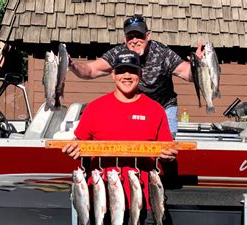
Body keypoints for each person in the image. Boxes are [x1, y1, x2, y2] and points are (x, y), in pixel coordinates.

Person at [63, 50, 177, 225]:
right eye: (122, 70)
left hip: (141, 206)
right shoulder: (95, 108)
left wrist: (168, 156)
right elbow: (79, 143)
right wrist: (74, 150)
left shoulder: (155, 110)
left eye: (132, 71)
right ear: (113, 74)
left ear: (140, 74)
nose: (127, 75)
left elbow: (167, 150)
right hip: (99, 202)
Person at [69, 15, 202, 136]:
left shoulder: (162, 53)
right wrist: (72, 65)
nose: (135, 40)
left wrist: (198, 66)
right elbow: (91, 70)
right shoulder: (119, 53)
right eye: (130, 37)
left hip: (164, 106)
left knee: (166, 149)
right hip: (134, 107)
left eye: (139, 35)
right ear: (124, 39)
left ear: (148, 36)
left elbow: (187, 73)